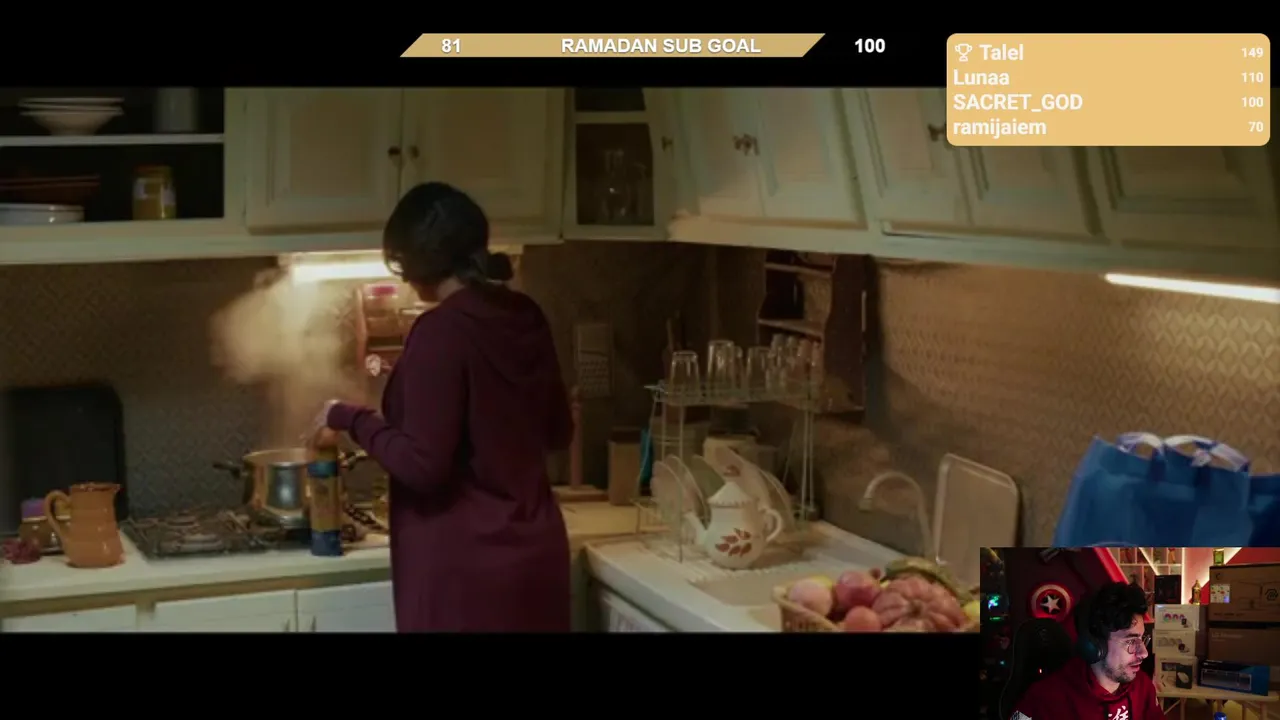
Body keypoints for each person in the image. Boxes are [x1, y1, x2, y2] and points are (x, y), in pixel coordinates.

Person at [310, 181, 574, 632]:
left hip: (466, 576)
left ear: (416, 262)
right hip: (537, 563)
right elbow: (558, 432)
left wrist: (350, 417)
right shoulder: (526, 314)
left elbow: (423, 466)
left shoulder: (441, 332)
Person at [1010, 581, 1166, 720]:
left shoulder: (1142, 685)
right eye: (1131, 641)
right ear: (1094, 644)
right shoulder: (1045, 699)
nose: (1144, 653)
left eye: (1142, 638)